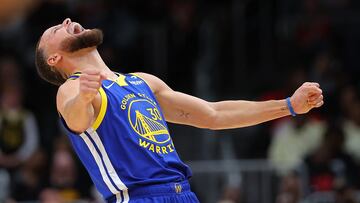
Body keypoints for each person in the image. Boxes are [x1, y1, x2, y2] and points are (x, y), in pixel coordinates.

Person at [34, 18, 324, 203]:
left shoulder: (142, 82)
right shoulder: (71, 89)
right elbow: (75, 118)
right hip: (137, 198)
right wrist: (84, 97)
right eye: (54, 29)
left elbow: (213, 114)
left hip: (183, 193)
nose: (67, 20)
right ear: (54, 58)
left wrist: (288, 105)